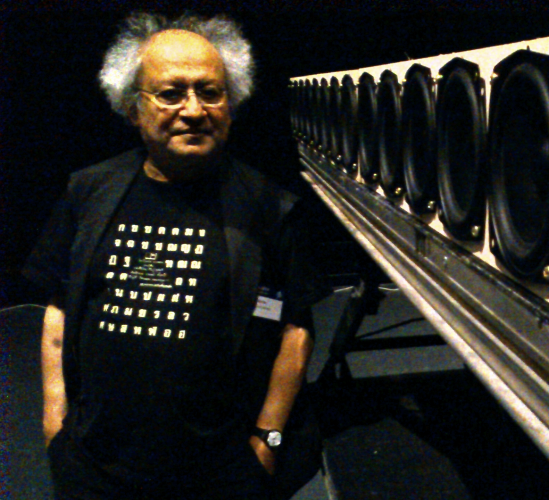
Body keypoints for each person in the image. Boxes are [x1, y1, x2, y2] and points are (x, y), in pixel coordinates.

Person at [23, 12, 329, 500]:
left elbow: (295, 330)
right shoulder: (88, 192)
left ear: (231, 104)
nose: (193, 110)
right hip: (95, 469)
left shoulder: (268, 206)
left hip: (223, 477)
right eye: (170, 94)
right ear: (132, 108)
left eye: (211, 92)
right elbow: (58, 312)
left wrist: (267, 443)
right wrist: (55, 426)